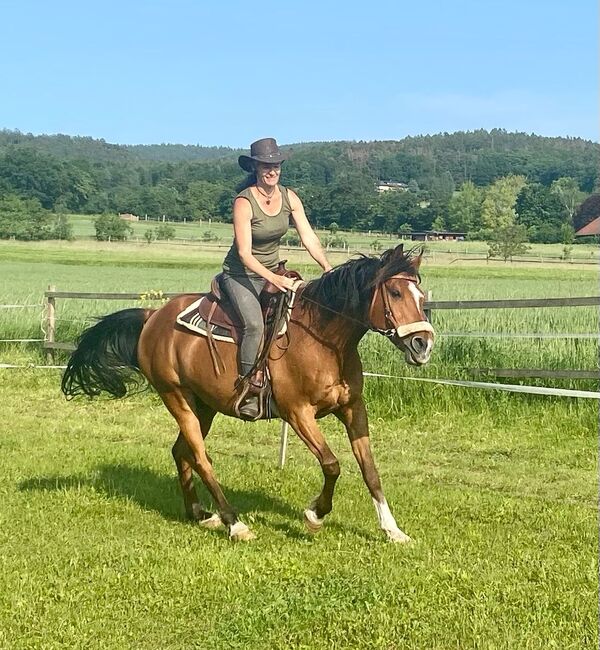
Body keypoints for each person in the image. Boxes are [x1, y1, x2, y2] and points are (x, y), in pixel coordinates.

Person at [221, 137, 332, 418]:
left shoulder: (289, 197)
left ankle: (289, 382)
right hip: (241, 275)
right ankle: (248, 389)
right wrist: (276, 278)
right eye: (265, 165)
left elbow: (308, 237)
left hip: (274, 271)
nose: (272, 170)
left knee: (299, 315)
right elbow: (245, 254)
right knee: (255, 326)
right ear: (255, 168)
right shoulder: (244, 202)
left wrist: (328, 269)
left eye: (276, 165)